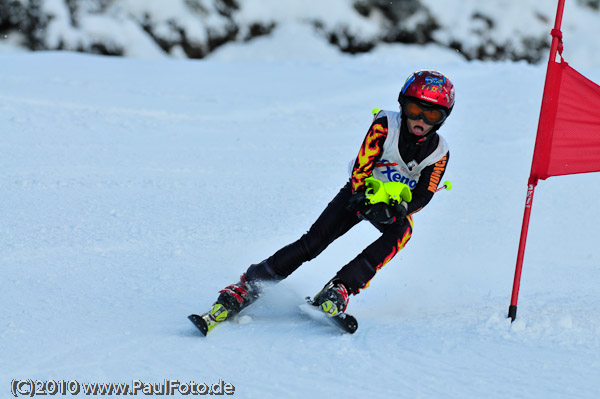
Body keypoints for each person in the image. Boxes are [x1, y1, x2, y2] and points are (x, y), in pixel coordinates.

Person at [209, 69, 455, 323]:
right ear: (403, 105)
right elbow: (363, 164)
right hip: (360, 192)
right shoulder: (385, 125)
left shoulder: (439, 151)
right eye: (415, 110)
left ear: (443, 119)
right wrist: (360, 194)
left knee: (402, 232)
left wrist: (401, 210)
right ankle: (249, 285)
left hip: (393, 205)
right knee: (312, 244)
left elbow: (425, 193)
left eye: (432, 114)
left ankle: (341, 288)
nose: (421, 120)